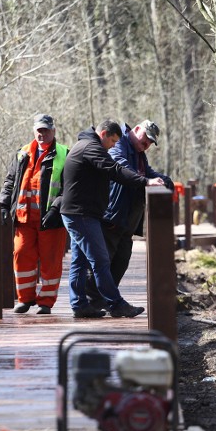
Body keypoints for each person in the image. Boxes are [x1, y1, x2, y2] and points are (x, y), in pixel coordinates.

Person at [60, 119, 165, 318]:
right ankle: (115, 304)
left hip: (78, 212)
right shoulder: (92, 148)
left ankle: (79, 305)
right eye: (113, 141)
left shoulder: (84, 145)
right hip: (82, 214)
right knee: (100, 260)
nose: (114, 146)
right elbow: (115, 170)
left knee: (80, 262)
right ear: (104, 135)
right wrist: (145, 181)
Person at [86, 120, 173, 309]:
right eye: (146, 139)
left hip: (127, 219)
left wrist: (165, 181)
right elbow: (124, 169)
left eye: (150, 143)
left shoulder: (139, 152)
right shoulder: (119, 145)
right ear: (137, 130)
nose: (147, 145)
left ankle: (107, 299)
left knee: (122, 259)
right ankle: (92, 301)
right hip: (112, 213)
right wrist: (148, 181)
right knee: (103, 260)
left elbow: (145, 172)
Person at [0, 113, 68, 315]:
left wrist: (56, 208)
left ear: (53, 131)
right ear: (33, 131)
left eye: (46, 130)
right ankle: (25, 299)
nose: (42, 134)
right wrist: (3, 205)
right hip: (24, 218)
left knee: (51, 261)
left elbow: (69, 188)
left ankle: (46, 302)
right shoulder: (22, 153)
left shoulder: (64, 153)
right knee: (21, 255)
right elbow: (9, 181)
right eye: (39, 130)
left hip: (51, 220)